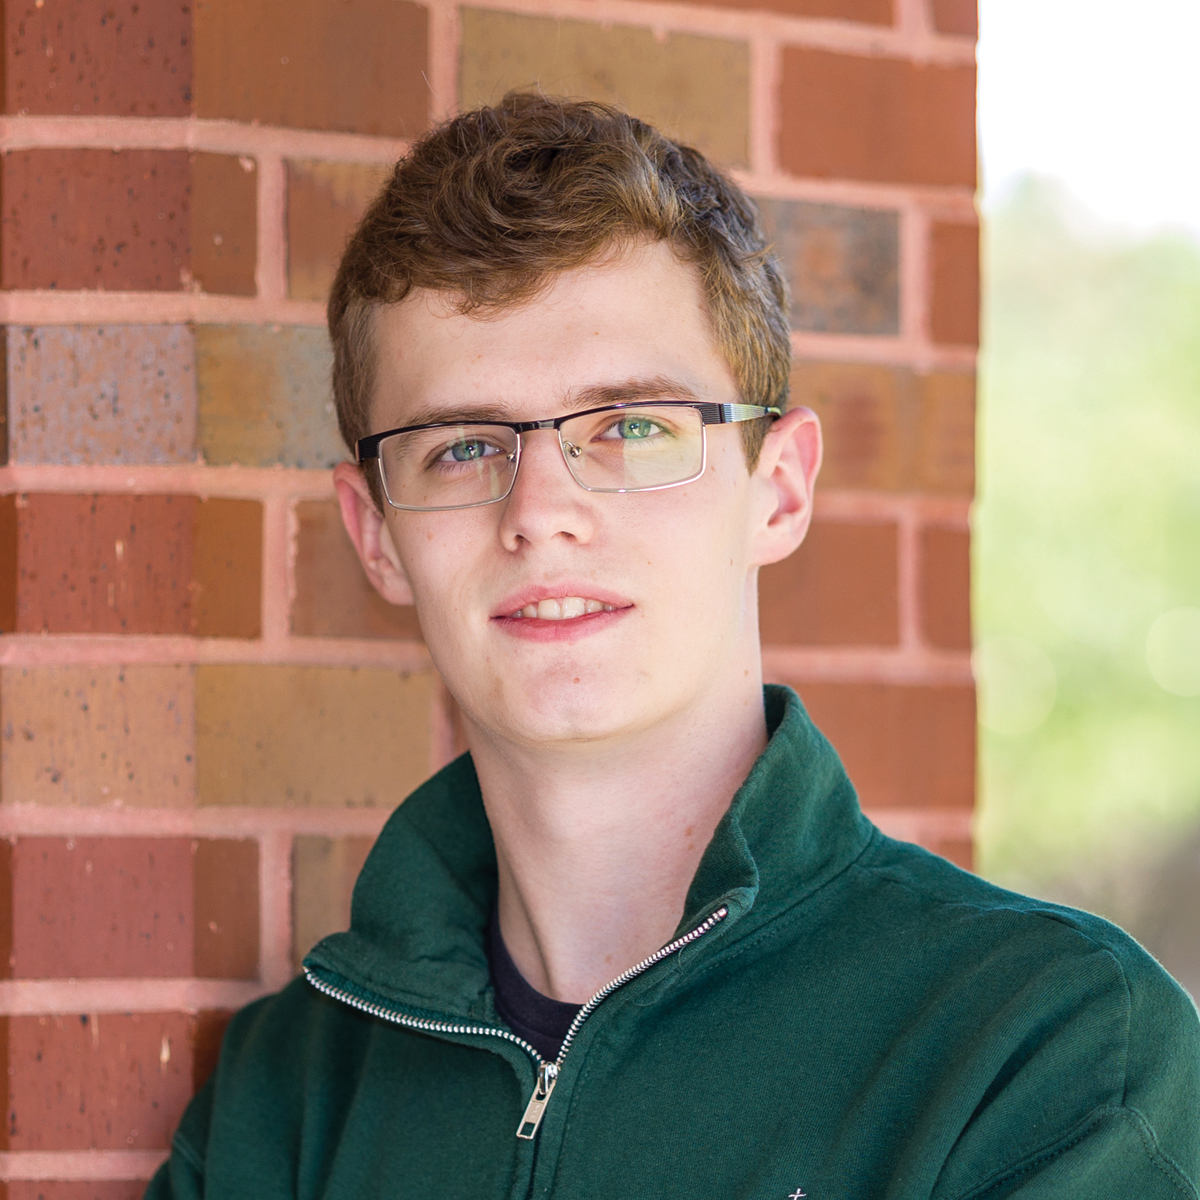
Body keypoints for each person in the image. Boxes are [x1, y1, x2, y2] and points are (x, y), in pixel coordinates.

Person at [148, 94, 1200, 1199]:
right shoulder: (289, 1100)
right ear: (376, 536)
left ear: (778, 491)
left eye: (632, 428)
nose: (540, 512)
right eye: (460, 447)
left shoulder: (1042, 1051)